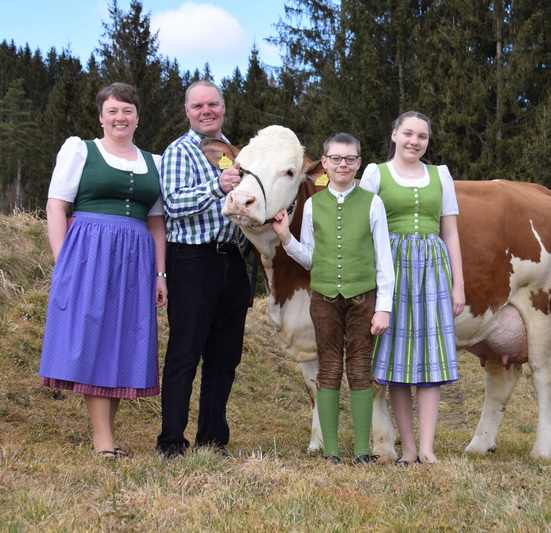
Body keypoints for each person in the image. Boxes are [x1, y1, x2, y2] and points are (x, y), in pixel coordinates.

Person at [40, 82, 167, 460]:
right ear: (101, 116)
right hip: (89, 254)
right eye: (112, 110)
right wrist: (64, 262)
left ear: (137, 117)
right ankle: (103, 441)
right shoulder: (81, 150)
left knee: (124, 340)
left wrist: (161, 275)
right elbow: (55, 207)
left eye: (127, 110)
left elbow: (157, 224)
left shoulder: (154, 162)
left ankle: (106, 435)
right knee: (95, 340)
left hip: (137, 258)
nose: (120, 117)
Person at [271, 133, 394, 464]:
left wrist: (383, 309)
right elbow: (310, 258)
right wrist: (285, 238)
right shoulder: (313, 205)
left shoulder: (373, 203)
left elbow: (385, 261)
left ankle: (363, 450)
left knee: (359, 367)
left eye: (350, 159)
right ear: (324, 163)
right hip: (324, 297)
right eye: (336, 159)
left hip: (362, 299)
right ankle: (331, 450)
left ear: (359, 163)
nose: (343, 165)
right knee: (327, 367)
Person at [359, 111, 465, 464]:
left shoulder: (440, 175)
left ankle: (427, 448)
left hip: (433, 268)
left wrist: (458, 285)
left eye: (422, 136)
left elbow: (450, 232)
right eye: (408, 133)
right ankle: (407, 447)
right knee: (400, 363)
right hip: (392, 269)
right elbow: (363, 227)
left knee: (430, 360)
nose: (414, 141)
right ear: (394, 135)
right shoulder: (376, 173)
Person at [156, 80, 250, 459]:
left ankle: (212, 441)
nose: (206, 111)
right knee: (184, 353)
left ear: (223, 108)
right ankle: (171, 443)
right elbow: (173, 205)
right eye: (198, 106)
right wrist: (217, 185)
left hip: (233, 261)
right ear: (187, 112)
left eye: (213, 104)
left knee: (225, 357)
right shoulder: (179, 151)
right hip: (192, 261)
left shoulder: (239, 155)